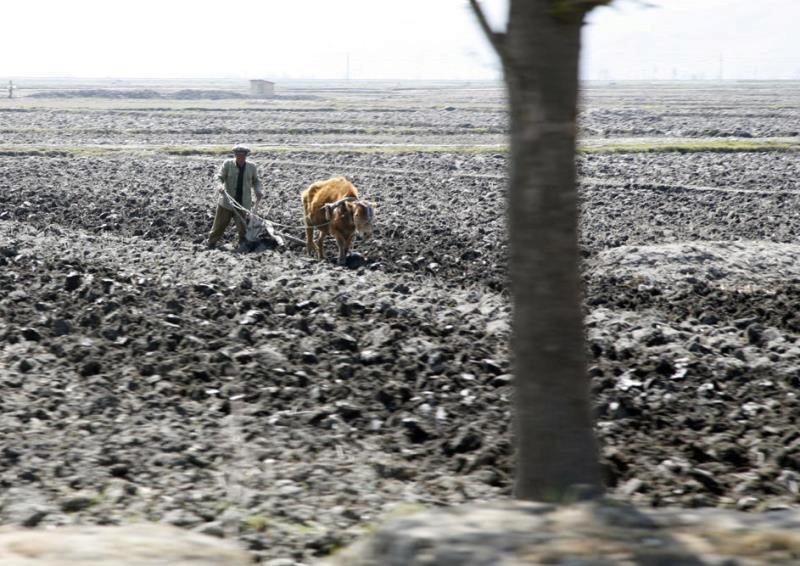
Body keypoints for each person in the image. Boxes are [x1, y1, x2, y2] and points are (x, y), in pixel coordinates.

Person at [207, 144, 264, 249]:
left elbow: (256, 181)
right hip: (226, 203)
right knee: (219, 226)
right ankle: (211, 243)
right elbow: (219, 177)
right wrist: (220, 185)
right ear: (235, 155)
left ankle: (243, 244)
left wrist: (258, 191)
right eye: (238, 156)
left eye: (242, 156)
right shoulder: (228, 164)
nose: (240, 158)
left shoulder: (252, 167)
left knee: (242, 228)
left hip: (242, 204)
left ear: (246, 156)